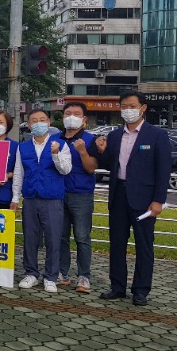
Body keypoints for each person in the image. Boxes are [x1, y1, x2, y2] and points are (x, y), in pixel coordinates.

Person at [95, 92, 171, 306]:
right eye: (123, 106)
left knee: (144, 245)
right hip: (118, 195)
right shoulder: (114, 136)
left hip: (144, 199)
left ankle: (141, 290)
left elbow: (163, 170)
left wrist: (159, 200)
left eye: (131, 106)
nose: (127, 110)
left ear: (143, 108)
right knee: (117, 244)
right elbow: (109, 164)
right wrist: (102, 151)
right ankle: (117, 286)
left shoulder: (157, 135)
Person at [12, 109, 72, 294]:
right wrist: (15, 197)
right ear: (29, 125)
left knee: (53, 238)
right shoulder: (23, 147)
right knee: (30, 237)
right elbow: (18, 173)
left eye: (42, 120)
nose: (38, 123)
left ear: (49, 123)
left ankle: (51, 276)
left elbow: (66, 170)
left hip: (52, 198)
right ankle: (31, 273)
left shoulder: (60, 144)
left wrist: (56, 154)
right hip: (31, 197)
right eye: (34, 120)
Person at [54, 102, 99, 294]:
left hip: (81, 195)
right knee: (61, 236)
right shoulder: (54, 139)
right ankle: (62, 273)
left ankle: (84, 276)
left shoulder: (91, 140)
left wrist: (82, 151)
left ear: (84, 119)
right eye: (68, 113)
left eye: (76, 114)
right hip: (58, 194)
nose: (71, 117)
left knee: (82, 237)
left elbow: (91, 168)